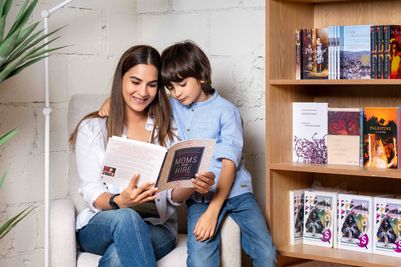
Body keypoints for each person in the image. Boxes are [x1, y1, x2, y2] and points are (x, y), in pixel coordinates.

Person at [70, 45, 215, 267]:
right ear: (121, 80)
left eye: (152, 85)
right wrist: (120, 201)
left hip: (157, 228)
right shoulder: (93, 129)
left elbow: (172, 197)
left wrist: (193, 183)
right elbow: (91, 189)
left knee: (119, 258)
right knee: (127, 217)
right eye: (135, 82)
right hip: (101, 225)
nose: (143, 92)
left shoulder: (169, 129)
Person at [160, 41, 276, 267]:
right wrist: (108, 103)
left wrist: (213, 211)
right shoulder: (173, 106)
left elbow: (229, 164)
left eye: (182, 84)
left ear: (202, 76)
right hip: (200, 197)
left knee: (265, 253)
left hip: (238, 193)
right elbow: (145, 102)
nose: (176, 93)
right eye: (171, 88)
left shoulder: (226, 110)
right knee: (200, 260)